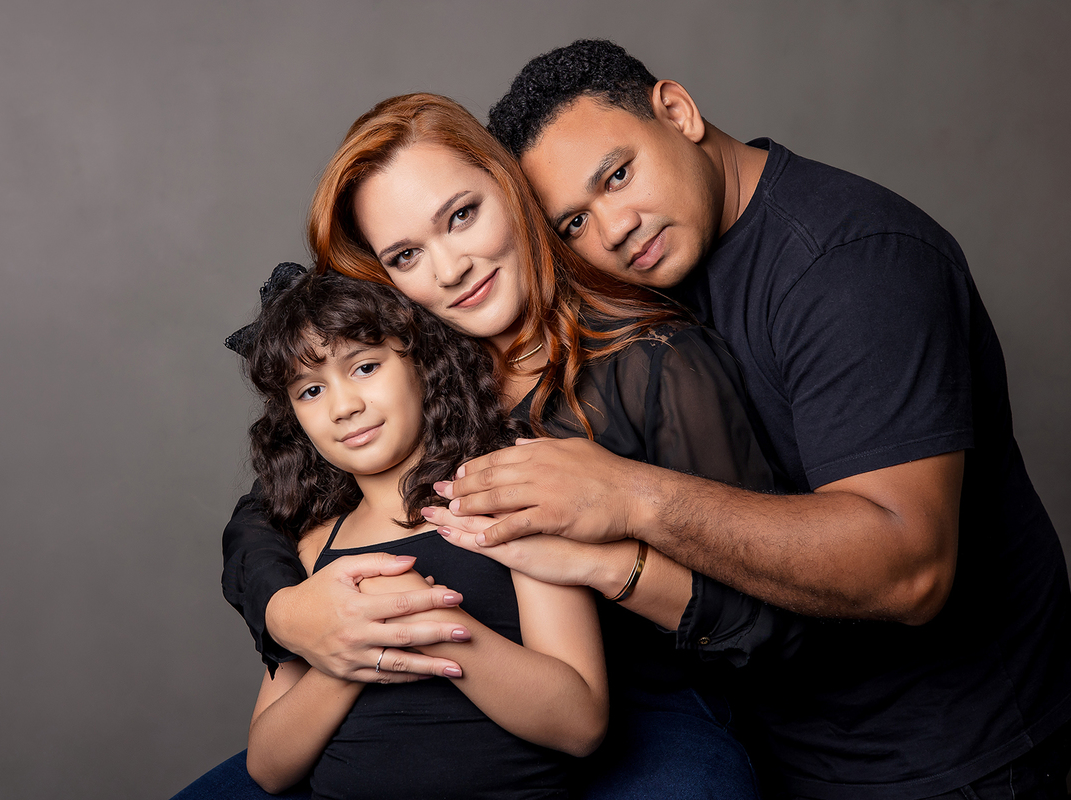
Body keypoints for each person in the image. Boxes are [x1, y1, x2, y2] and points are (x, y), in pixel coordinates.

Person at [416, 39, 1071, 799]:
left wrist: (628, 497)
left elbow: (911, 571)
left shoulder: (852, 263)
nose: (613, 229)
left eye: (618, 175)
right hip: (775, 746)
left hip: (953, 758)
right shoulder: (641, 275)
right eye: (573, 223)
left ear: (678, 112)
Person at [190, 93, 797, 799]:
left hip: (645, 697)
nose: (450, 269)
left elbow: (771, 615)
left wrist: (608, 547)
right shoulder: (411, 366)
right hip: (408, 712)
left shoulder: (650, 363)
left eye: (461, 215)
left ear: (509, 187)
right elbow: (272, 507)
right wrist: (288, 613)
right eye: (407, 255)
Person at [226, 262, 608, 799]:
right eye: (310, 391)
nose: (344, 406)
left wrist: (428, 620)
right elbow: (268, 765)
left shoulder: (504, 500)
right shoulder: (312, 546)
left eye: (365, 367)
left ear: (422, 363)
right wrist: (353, 647)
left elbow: (580, 723)